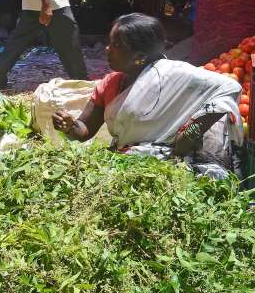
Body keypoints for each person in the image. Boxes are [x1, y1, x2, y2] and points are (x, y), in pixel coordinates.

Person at [53, 13, 243, 178]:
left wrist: (190, 133)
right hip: (127, 165)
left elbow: (229, 87)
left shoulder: (172, 76)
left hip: (173, 167)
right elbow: (84, 130)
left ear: (139, 56)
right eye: (109, 42)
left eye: (116, 44)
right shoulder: (109, 85)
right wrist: (70, 126)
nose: (107, 49)